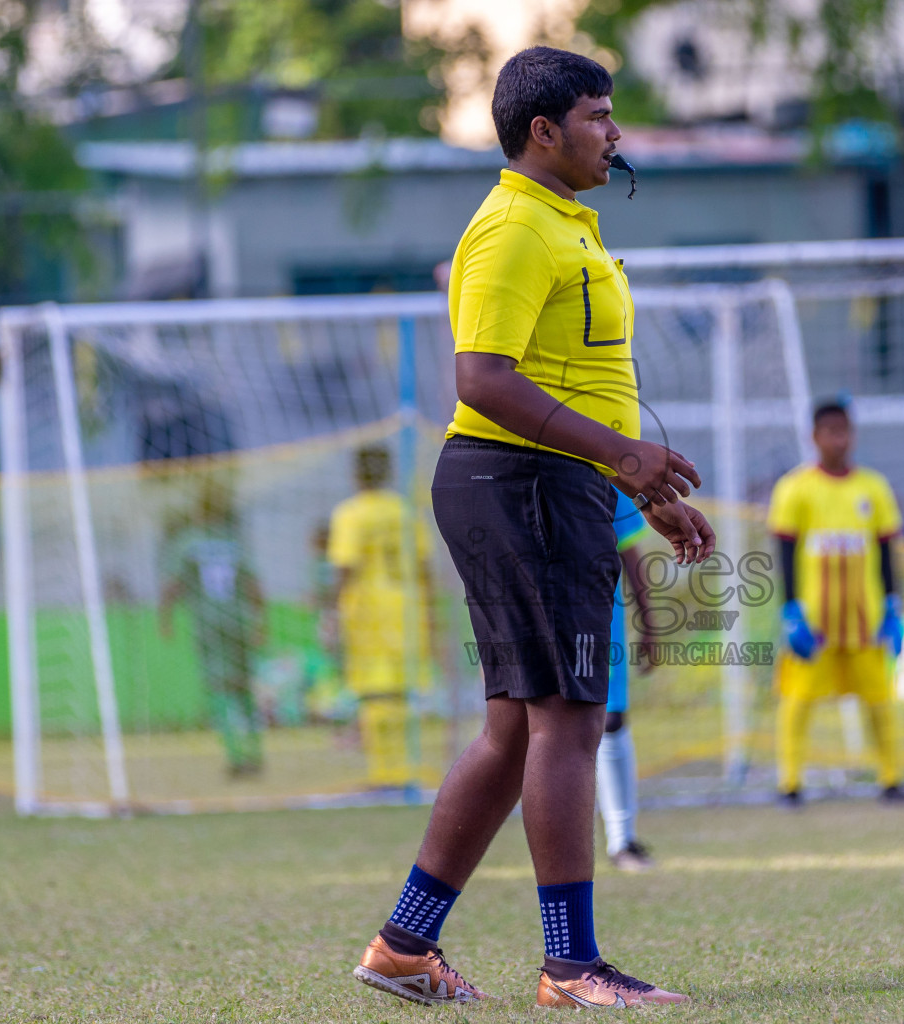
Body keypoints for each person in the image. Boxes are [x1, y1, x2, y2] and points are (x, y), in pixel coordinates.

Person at [352, 46, 713, 1009]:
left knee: (517, 730)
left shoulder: (568, 226)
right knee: (568, 720)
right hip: (519, 482)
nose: (616, 132)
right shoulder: (512, 227)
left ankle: (404, 944)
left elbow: (576, 381)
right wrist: (626, 459)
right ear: (542, 131)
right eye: (600, 115)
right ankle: (571, 964)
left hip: (551, 483)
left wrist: (639, 487)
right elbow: (485, 380)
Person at [768, 400, 904, 808]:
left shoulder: (873, 487)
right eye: (831, 431)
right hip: (814, 620)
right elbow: (785, 553)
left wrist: (892, 605)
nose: (839, 439)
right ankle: (790, 784)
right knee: (797, 701)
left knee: (880, 702)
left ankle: (891, 779)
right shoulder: (795, 488)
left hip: (864, 619)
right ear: (814, 437)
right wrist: (791, 610)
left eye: (845, 431)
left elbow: (887, 552)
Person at [328, 446, 431, 788]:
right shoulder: (405, 511)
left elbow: (346, 566)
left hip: (368, 613)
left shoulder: (350, 514)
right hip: (407, 608)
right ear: (387, 473)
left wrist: (330, 612)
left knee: (374, 693)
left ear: (355, 474)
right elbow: (423, 565)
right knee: (401, 691)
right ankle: (404, 767)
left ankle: (384, 772)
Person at [159, 481, 266, 777]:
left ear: (197, 511)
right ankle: (256, 751)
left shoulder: (188, 542)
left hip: (208, 624)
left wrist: (164, 620)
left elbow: (172, 585)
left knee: (218, 689)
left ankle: (235, 756)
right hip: (239, 621)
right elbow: (254, 586)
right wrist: (261, 623)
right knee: (243, 687)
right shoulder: (234, 541)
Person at [597, 483, 658, 873]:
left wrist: (650, 624)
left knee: (610, 719)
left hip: (603, 619)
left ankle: (622, 839)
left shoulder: (607, 481)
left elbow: (630, 554)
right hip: (540, 614)